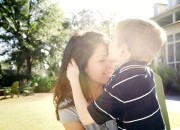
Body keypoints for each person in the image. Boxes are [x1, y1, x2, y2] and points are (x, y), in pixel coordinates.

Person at [67, 19, 167, 130]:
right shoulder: (146, 73)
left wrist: (74, 79)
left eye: (113, 40)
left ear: (123, 50)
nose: (109, 43)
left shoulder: (120, 84)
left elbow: (86, 118)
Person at [53, 31, 118, 130]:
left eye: (112, 59)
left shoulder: (120, 92)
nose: (111, 65)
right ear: (80, 65)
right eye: (101, 60)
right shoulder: (68, 106)